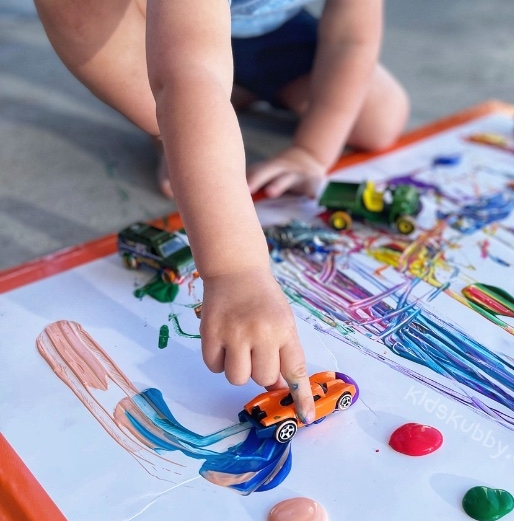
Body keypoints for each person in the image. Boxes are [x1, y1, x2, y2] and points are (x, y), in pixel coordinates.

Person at [33, 0, 409, 423]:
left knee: (381, 117)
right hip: (146, 24)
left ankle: (225, 100)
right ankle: (171, 130)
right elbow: (188, 75)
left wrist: (312, 151)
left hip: (263, 28)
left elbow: (350, 36)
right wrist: (236, 272)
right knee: (178, 84)